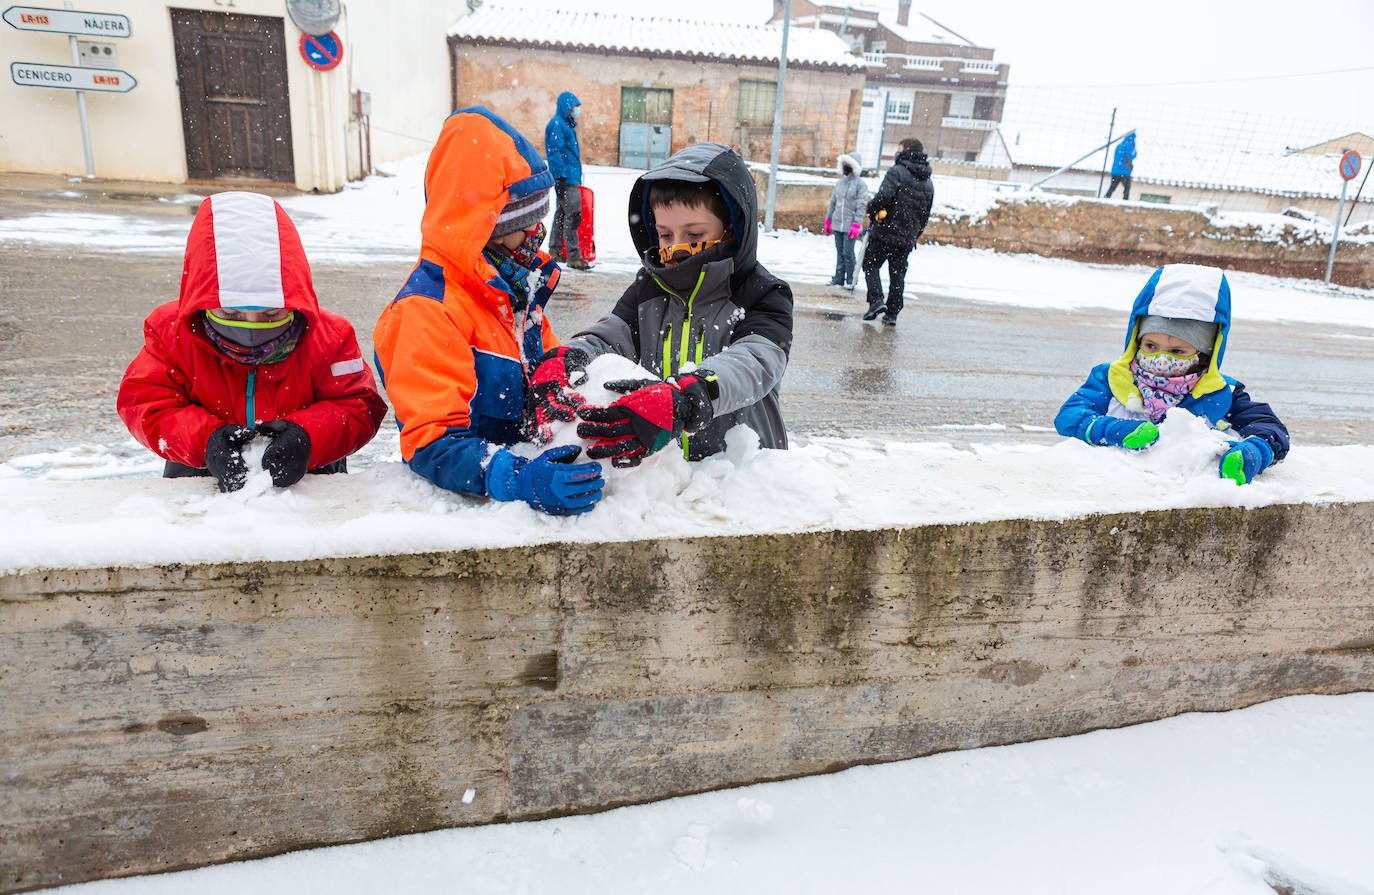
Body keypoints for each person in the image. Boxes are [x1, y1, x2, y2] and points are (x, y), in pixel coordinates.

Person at [372, 106, 605, 516]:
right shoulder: (427, 311)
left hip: (524, 487)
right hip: (464, 515)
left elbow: (550, 364)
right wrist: (513, 476)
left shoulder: (512, 288)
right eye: (526, 223)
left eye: (541, 219)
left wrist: (573, 391)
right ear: (484, 227)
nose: (537, 234)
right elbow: (432, 442)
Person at [528, 141, 793, 467]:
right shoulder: (650, 287)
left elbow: (755, 362)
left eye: (694, 235)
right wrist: (570, 355)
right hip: (667, 474)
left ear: (732, 228)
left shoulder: (761, 292)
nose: (678, 248)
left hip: (740, 476)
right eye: (666, 235)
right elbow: (610, 336)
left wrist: (691, 397)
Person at [116, 191, 386, 492]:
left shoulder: (331, 336)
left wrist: (307, 436)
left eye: (271, 314)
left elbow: (357, 405)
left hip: (310, 474)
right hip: (200, 473)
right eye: (230, 313)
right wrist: (205, 440)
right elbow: (147, 402)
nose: (250, 330)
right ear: (203, 303)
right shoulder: (171, 332)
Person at [1054, 263, 1289, 485]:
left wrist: (1254, 451)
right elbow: (1070, 416)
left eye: (1177, 351)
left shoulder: (1223, 393)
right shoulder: (1111, 378)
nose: (1161, 358)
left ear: (1204, 354)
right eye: (1150, 346)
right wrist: (1112, 430)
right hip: (1113, 487)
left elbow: (1269, 428)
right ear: (1136, 341)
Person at [862, 137, 934, 326]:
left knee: (870, 264)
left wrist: (872, 210)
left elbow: (884, 196)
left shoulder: (897, 172)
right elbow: (925, 214)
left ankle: (876, 301)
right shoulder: (928, 182)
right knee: (897, 274)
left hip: (886, 232)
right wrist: (914, 234)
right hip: (906, 237)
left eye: (899, 148)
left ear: (906, 149)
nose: (897, 151)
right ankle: (892, 312)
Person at [544, 90, 591, 270]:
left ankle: (555, 251)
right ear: (566, 106)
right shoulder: (557, 125)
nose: (576, 110)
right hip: (565, 177)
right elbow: (555, 152)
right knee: (573, 215)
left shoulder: (565, 125)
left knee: (562, 214)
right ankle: (573, 256)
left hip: (568, 176)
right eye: (574, 107)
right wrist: (561, 176)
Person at [824, 151, 868, 288]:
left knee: (848, 252)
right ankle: (838, 278)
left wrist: (857, 223)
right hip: (837, 223)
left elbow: (861, 205)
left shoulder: (860, 184)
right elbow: (833, 202)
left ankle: (851, 279)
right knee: (839, 251)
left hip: (850, 225)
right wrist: (828, 220)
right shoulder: (840, 183)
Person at [1104, 132, 1136, 200]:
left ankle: (1106, 198)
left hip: (1115, 170)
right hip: (1124, 171)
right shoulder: (1129, 146)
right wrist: (1134, 149)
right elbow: (1133, 155)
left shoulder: (1120, 145)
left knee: (1112, 187)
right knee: (1127, 188)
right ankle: (1125, 201)